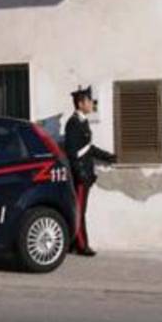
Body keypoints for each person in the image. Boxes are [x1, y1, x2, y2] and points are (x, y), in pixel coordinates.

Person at [64, 86, 116, 257]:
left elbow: (88, 148)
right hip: (81, 175)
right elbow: (72, 153)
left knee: (80, 209)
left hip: (86, 174)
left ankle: (74, 243)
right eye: (88, 101)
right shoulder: (73, 123)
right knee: (79, 211)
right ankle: (81, 245)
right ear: (80, 103)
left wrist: (108, 157)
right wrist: (80, 174)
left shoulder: (82, 121)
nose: (91, 104)